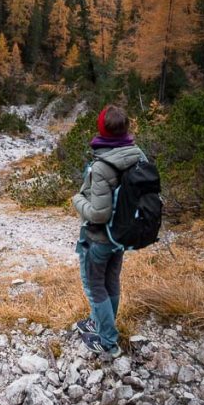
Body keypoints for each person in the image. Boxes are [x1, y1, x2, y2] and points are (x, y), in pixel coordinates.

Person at [71, 104, 145, 357]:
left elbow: (99, 213)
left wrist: (77, 200)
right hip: (122, 234)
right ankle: (99, 323)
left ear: (102, 129)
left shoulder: (103, 166)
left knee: (94, 286)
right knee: (111, 280)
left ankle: (107, 341)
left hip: (100, 237)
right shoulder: (138, 155)